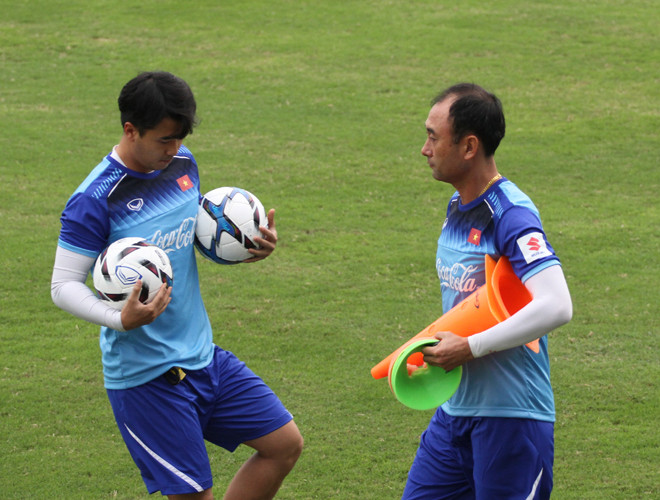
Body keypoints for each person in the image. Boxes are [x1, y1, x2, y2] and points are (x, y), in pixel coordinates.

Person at [51, 71, 303, 500]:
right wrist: (119, 318)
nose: (174, 149)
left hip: (203, 355)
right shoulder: (95, 199)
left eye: (180, 138)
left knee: (283, 445)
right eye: (164, 140)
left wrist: (245, 245)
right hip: (147, 379)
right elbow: (63, 285)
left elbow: (188, 239)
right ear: (131, 130)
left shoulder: (183, 164)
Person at [401, 83, 573, 500]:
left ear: (469, 147)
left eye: (433, 137)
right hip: (455, 415)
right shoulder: (458, 206)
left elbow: (557, 305)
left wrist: (470, 347)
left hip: (511, 420)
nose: (425, 149)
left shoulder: (510, 215)